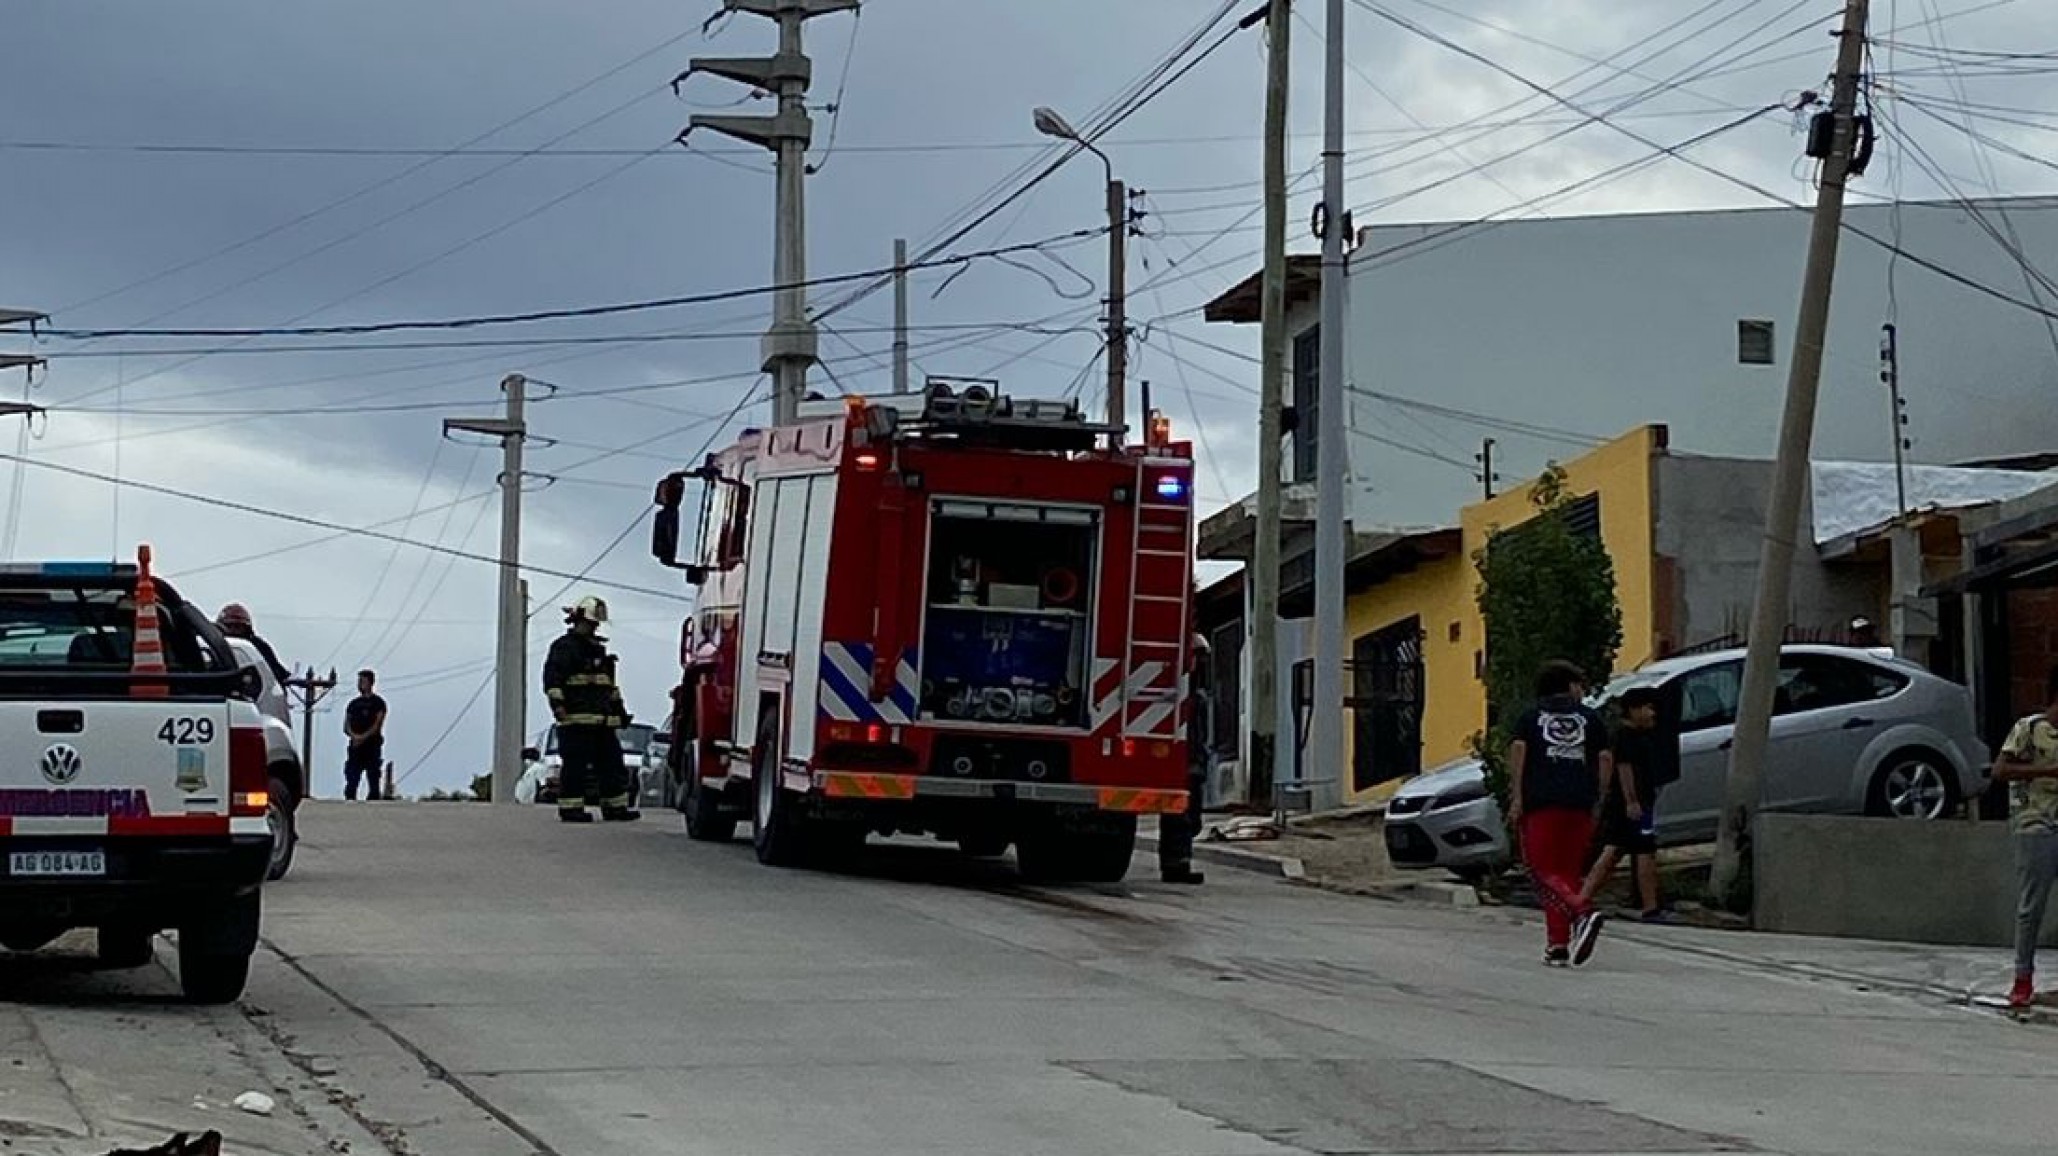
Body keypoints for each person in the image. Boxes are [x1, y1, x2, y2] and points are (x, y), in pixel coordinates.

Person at [1508, 659, 1610, 967]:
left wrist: (1517, 797)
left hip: (1541, 802)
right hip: (1579, 803)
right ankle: (1558, 944)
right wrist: (1598, 796)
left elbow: (1518, 754)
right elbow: (1604, 759)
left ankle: (1581, 911)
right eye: (1578, 684)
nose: (1581, 691)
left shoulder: (1529, 719)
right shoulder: (1591, 719)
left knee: (1541, 871)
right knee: (1566, 873)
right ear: (1567, 685)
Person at [1994, 664, 2058, 1012]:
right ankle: (2022, 978)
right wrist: (2046, 771)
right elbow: (2000, 770)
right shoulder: (2031, 729)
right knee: (2032, 905)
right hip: (2036, 822)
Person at [1579, 686, 1672, 922]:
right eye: (1649, 708)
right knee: (1644, 851)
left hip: (1634, 803)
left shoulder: (1636, 736)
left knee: (1614, 849)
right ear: (1633, 710)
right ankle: (1650, 907)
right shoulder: (1626, 737)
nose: (1653, 714)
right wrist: (1631, 801)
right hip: (1633, 805)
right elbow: (1624, 768)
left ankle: (1581, 898)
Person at [544, 595, 638, 823]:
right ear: (577, 621)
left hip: (602, 722)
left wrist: (620, 712)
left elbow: (609, 688)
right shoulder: (564, 648)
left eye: (596, 624)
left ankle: (615, 808)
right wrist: (558, 707)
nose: (593, 627)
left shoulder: (598, 651)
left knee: (613, 765)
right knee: (576, 766)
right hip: (575, 721)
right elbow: (553, 681)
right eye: (590, 623)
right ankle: (571, 808)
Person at [1159, 633, 1211, 885]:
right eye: (1196, 657)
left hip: (1193, 764)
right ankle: (1176, 863)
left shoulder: (1198, 697)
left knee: (1191, 818)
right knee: (1179, 817)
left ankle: (1178, 861)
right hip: (1181, 765)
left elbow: (1200, 735)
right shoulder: (1175, 694)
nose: (1199, 663)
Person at [215, 602, 291, 685]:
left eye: (237, 626)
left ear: (247, 628)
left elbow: (276, 672)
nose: (232, 630)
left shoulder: (258, 646)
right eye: (228, 626)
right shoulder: (210, 645)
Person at [342, 669, 387, 802]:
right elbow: (346, 725)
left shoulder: (378, 703)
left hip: (371, 745)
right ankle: (350, 797)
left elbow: (378, 724)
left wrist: (363, 737)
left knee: (373, 775)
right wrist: (354, 736)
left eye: (363, 681)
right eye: (359, 681)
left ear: (370, 683)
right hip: (355, 747)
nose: (360, 684)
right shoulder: (353, 704)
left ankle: (373, 799)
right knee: (352, 776)